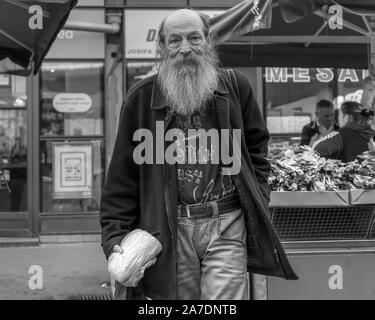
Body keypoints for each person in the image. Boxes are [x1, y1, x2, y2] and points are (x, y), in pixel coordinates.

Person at [100, 9, 297, 300]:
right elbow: (122, 174)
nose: (185, 49)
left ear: (208, 42)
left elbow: (257, 148)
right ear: (162, 48)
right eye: (174, 40)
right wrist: (114, 234)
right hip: (170, 228)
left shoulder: (235, 88)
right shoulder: (140, 99)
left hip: (227, 222)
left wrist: (260, 197)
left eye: (194, 38)